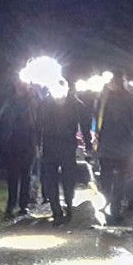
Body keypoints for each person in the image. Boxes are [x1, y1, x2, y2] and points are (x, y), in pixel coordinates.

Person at [37, 79, 89, 225]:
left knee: (68, 180)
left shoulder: (76, 105)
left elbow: (83, 125)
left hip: (67, 145)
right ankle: (56, 211)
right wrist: (37, 144)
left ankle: (68, 206)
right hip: (50, 145)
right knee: (51, 179)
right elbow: (37, 126)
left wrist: (87, 146)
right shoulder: (45, 104)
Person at [93, 69, 133, 224]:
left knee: (113, 180)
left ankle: (112, 209)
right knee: (114, 181)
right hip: (115, 146)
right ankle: (112, 210)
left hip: (117, 146)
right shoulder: (105, 99)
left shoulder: (103, 99)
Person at [0, 78, 38, 219]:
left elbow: (38, 120)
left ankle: (24, 205)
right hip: (12, 142)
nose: (22, 86)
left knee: (26, 175)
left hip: (28, 142)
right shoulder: (9, 101)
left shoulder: (33, 101)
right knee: (12, 176)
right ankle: (11, 205)